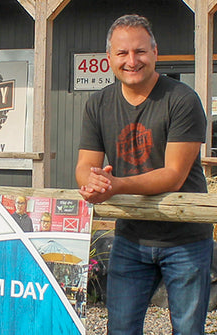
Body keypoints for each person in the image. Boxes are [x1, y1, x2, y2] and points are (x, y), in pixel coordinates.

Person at [75, 14, 213, 334]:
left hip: (186, 238)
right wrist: (91, 182)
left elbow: (174, 175)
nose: (132, 60)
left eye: (140, 51)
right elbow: (84, 166)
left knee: (188, 330)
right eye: (122, 53)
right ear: (109, 58)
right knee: (121, 328)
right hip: (130, 238)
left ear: (155, 53)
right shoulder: (97, 104)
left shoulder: (181, 99)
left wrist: (115, 185)